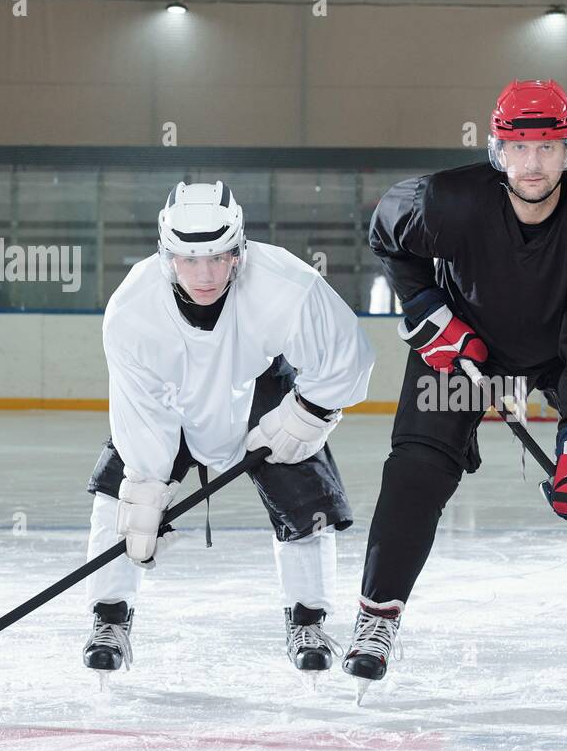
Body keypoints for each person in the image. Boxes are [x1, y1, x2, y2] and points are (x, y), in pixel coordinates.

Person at [348, 79, 567, 696]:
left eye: (548, 146)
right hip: (464, 349)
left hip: (566, 358)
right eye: (519, 146)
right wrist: (428, 309)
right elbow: (385, 227)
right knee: (416, 466)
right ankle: (376, 616)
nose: (533, 162)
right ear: (498, 151)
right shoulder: (446, 202)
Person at [80, 181, 374, 677]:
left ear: (239, 251)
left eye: (219, 257)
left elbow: (347, 356)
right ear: (166, 255)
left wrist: (306, 414)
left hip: (259, 386)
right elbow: (139, 407)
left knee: (306, 494)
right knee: (122, 494)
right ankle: (109, 618)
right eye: (189, 259)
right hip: (169, 403)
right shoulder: (132, 308)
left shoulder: (284, 282)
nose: (206, 273)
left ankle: (308, 620)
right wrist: (148, 484)